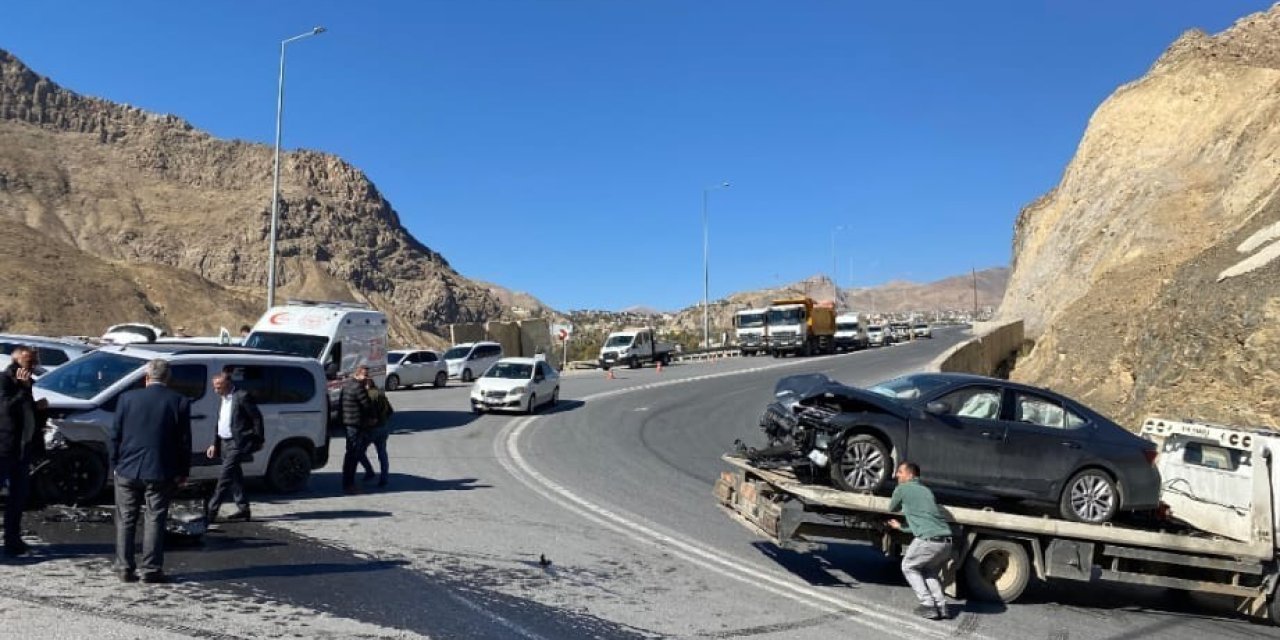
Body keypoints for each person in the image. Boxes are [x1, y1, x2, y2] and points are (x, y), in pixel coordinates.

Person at [109, 359, 191, 583]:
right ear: (168, 378)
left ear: (146, 377)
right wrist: (183, 471)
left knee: (125, 518)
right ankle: (151, 569)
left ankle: (125, 567)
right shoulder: (179, 402)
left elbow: (115, 435)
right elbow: (184, 442)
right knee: (154, 518)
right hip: (160, 470)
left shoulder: (127, 399)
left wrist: (115, 464)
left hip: (127, 468)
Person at [887, 461, 954, 620]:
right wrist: (901, 527)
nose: (897, 475)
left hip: (928, 540)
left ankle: (928, 604)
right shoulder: (926, 490)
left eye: (900, 472)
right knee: (928, 570)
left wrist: (901, 499)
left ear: (910, 475)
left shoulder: (902, 488)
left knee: (908, 566)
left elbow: (892, 508)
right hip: (945, 541)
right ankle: (942, 606)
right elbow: (924, 521)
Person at [0, 346, 46, 557]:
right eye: (30, 362)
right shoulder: (5, 380)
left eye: (35, 362)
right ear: (18, 360)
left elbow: (27, 417)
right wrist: (22, 389)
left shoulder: (26, 383)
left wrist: (38, 409)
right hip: (4, 448)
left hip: (21, 450)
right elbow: (6, 410)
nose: (33, 366)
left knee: (18, 498)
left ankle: (13, 539)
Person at [204, 371, 264, 523]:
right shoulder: (223, 399)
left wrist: (258, 439)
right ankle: (244, 509)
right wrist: (214, 443)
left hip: (237, 443)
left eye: (219, 387)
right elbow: (220, 422)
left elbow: (256, 418)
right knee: (235, 477)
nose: (216, 390)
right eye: (215, 387)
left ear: (228, 384)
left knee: (224, 478)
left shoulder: (242, 396)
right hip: (224, 442)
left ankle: (211, 512)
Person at [339, 365, 376, 494]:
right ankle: (349, 485)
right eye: (365, 376)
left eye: (367, 376)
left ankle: (347, 483)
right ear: (358, 374)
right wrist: (368, 389)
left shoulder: (347, 385)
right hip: (356, 424)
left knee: (349, 454)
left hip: (348, 423)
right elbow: (368, 406)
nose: (366, 378)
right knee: (353, 456)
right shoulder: (358, 387)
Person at [357, 377, 394, 487]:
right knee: (382, 454)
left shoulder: (369, 395)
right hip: (383, 428)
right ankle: (384, 478)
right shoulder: (380, 394)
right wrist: (383, 420)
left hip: (372, 429)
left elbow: (369, 413)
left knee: (358, 451)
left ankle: (369, 471)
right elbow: (390, 411)